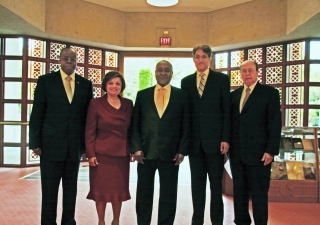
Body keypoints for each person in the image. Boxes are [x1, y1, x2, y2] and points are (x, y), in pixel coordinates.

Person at [29, 47, 93, 224]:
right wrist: (35, 142)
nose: (69, 62)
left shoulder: (85, 84)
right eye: (66, 58)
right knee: (49, 190)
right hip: (50, 147)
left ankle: (68, 221)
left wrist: (86, 147)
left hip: (74, 149)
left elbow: (87, 118)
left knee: (70, 190)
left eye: (73, 59)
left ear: (77, 61)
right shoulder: (46, 81)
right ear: (59, 59)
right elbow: (36, 114)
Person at [131, 60, 190, 225]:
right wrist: (136, 148)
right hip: (145, 153)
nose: (163, 73)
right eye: (160, 70)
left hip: (171, 154)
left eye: (167, 70)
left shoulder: (181, 95)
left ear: (172, 73)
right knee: (143, 194)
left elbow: (187, 124)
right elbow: (135, 125)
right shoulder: (142, 95)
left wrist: (182, 150)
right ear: (155, 72)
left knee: (169, 194)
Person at [181, 44, 231, 225]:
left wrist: (225, 137)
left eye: (204, 56)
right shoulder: (186, 82)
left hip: (216, 143)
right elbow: (186, 115)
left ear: (210, 58)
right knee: (197, 186)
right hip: (195, 145)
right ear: (193, 59)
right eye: (197, 56)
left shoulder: (221, 79)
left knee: (216, 186)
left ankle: (217, 221)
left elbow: (227, 110)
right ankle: (197, 221)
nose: (200, 60)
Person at [229, 60, 282, 225]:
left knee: (259, 194)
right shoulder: (234, 95)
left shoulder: (269, 93)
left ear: (258, 72)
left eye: (250, 70)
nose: (247, 74)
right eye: (243, 71)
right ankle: (241, 221)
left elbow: (275, 124)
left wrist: (271, 150)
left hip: (260, 155)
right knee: (240, 193)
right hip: (237, 155)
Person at [85, 71, 134, 225]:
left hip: (121, 155)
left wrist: (132, 150)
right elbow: (90, 130)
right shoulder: (95, 103)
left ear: (122, 86)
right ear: (105, 85)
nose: (114, 86)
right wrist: (90, 154)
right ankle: (101, 221)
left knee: (117, 192)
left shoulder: (128, 104)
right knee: (101, 192)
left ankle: (116, 220)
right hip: (101, 155)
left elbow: (132, 129)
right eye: (111, 83)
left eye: (118, 83)